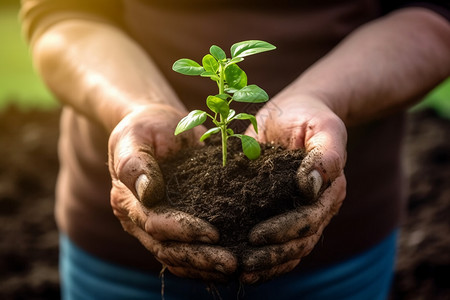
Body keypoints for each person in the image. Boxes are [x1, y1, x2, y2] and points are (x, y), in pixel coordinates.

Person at [21, 0, 450, 299]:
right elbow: (60, 12)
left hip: (341, 250)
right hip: (120, 254)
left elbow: (434, 17)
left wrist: (320, 98)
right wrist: (141, 105)